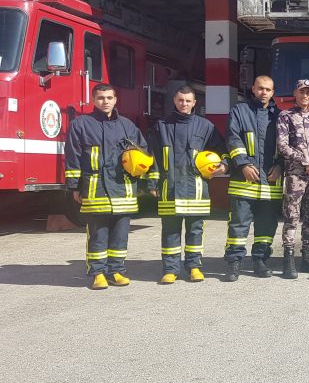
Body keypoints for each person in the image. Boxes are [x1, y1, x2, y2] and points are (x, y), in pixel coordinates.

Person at [64, 84, 150, 290]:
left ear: (115, 100)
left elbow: (144, 153)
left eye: (109, 97)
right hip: (96, 189)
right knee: (98, 234)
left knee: (120, 234)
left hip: (123, 190)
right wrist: (74, 187)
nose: (105, 101)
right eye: (101, 98)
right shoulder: (81, 124)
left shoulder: (127, 126)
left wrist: (142, 176)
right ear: (93, 100)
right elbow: (73, 157)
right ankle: (98, 273)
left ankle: (116, 271)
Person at [148, 85, 226, 285]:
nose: (184, 104)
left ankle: (194, 267)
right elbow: (152, 156)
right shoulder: (161, 126)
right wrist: (152, 182)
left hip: (196, 189)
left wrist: (224, 165)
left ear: (194, 103)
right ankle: (170, 270)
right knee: (170, 231)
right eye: (181, 100)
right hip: (170, 188)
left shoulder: (205, 126)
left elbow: (222, 149)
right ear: (174, 101)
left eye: (188, 101)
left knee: (195, 230)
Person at [224, 75, 284, 282]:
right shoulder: (239, 111)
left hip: (270, 181)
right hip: (244, 181)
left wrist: (280, 166)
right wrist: (243, 165)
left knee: (266, 225)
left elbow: (286, 145)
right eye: (260, 88)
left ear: (273, 92)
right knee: (238, 224)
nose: (263, 92)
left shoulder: (279, 116)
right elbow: (232, 138)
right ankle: (234, 263)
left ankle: (260, 260)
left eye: (268, 89)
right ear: (253, 89)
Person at [276, 79, 309, 279]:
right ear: (295, 93)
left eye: (308, 93)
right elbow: (283, 145)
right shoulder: (285, 116)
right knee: (292, 216)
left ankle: (307, 258)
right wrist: (305, 162)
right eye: (301, 92)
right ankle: (288, 260)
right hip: (295, 174)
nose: (305, 96)